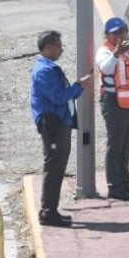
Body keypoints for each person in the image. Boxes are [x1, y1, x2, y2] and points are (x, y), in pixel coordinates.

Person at [30, 30, 91, 227]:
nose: (61, 49)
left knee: (57, 168)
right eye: (58, 45)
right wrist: (78, 86)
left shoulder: (49, 68)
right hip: (53, 126)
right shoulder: (44, 71)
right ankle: (48, 212)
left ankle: (51, 210)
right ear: (47, 48)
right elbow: (58, 97)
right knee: (54, 169)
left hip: (58, 123)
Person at [95, 17, 129, 201]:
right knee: (116, 146)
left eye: (122, 31)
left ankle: (125, 183)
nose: (120, 35)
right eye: (115, 32)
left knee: (127, 146)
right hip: (114, 104)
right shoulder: (106, 51)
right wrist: (116, 53)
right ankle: (115, 187)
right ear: (108, 35)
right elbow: (107, 69)